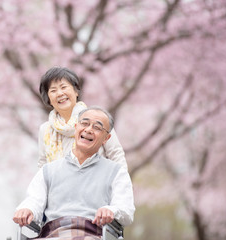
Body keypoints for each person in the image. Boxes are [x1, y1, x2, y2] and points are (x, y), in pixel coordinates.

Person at [13, 107, 135, 239]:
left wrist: (111, 210)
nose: (88, 129)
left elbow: (126, 210)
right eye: (84, 123)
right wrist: (27, 209)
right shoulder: (48, 171)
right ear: (76, 127)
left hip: (93, 234)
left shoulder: (117, 172)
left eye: (97, 127)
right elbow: (34, 200)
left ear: (106, 138)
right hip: (52, 234)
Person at [38, 67, 127, 170]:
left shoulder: (97, 119)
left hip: (97, 183)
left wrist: (122, 183)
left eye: (63, 87)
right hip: (59, 185)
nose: (60, 93)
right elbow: (43, 165)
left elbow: (116, 154)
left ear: (76, 91)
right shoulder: (45, 130)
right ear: (48, 98)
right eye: (53, 90)